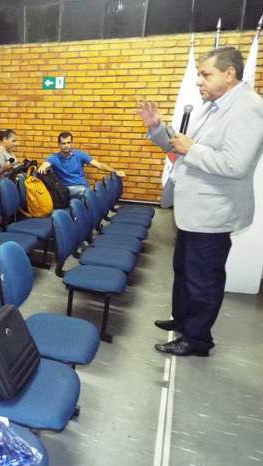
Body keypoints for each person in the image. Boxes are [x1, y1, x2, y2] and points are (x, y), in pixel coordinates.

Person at [137, 46, 263, 357]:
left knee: (203, 279)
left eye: (206, 74)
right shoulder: (214, 106)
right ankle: (183, 320)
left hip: (213, 213)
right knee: (184, 269)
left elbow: (235, 164)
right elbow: (179, 145)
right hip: (193, 211)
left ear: (229, 74)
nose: (198, 81)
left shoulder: (249, 108)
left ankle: (197, 340)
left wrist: (192, 149)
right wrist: (157, 127)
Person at [37, 131, 125, 199]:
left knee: (96, 194)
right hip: (68, 189)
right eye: (63, 143)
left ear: (72, 143)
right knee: (87, 193)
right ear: (59, 145)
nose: (66, 146)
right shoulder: (54, 158)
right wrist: (42, 167)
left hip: (84, 186)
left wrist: (115, 171)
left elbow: (99, 165)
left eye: (68, 143)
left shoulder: (79, 155)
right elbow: (44, 165)